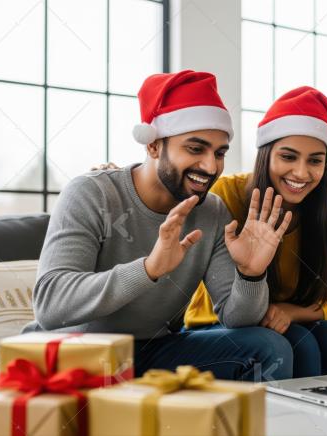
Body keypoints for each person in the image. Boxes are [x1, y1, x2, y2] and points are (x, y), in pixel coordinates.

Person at [24, 70, 295, 381]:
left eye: (219, 153)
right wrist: (148, 269)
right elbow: (50, 306)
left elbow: (238, 319)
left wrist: (251, 274)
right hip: (76, 353)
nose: (211, 166)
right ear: (153, 146)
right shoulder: (91, 193)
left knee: (268, 347)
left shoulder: (211, 211)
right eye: (195, 149)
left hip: (152, 351)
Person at [184, 86, 327, 378]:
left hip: (287, 321)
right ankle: (291, 412)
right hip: (217, 322)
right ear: (266, 155)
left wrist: (288, 311)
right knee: (300, 345)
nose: (301, 173)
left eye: (315, 160)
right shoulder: (225, 194)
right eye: (288, 157)